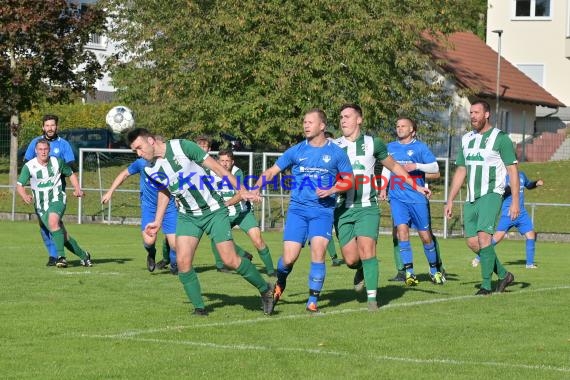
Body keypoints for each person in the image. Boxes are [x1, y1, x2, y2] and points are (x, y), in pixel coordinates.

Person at [127, 128, 274, 316]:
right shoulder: (149, 168)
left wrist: (241, 190)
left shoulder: (182, 146)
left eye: (139, 148)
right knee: (182, 262)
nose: (138, 153)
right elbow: (165, 191)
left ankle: (265, 289)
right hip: (188, 216)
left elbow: (217, 168)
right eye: (135, 151)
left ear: (151, 140)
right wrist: (157, 220)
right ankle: (199, 309)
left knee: (229, 259)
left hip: (214, 211)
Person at [253, 108, 354, 313]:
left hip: (322, 211)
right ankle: (280, 282)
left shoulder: (336, 153)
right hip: (298, 211)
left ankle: (312, 300)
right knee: (289, 258)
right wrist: (256, 188)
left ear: (322, 126)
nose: (305, 125)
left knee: (318, 252)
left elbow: (350, 180)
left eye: (310, 122)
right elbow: (272, 170)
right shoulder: (296, 150)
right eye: (304, 122)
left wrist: (332, 189)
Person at [334, 105, 431, 310]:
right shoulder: (333, 145)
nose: (343, 120)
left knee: (368, 250)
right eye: (341, 117)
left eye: (348, 117)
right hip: (343, 209)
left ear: (359, 120)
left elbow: (395, 167)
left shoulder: (373, 143)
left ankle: (372, 300)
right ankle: (359, 269)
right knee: (351, 259)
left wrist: (417, 187)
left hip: (368, 207)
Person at [444, 100, 520, 295]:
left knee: (484, 237)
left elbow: (512, 170)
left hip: (492, 194)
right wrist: (450, 199)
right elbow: (461, 169)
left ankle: (486, 286)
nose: (473, 116)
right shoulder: (466, 139)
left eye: (477, 112)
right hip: (471, 197)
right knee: (472, 242)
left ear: (487, 114)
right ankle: (503, 275)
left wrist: (516, 202)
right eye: (471, 113)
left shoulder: (500, 138)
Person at [380, 117, 445, 286]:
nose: (399, 128)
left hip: (417, 198)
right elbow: (387, 169)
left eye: (403, 126)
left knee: (425, 236)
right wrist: (383, 188)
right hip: (397, 197)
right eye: (397, 125)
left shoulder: (420, 147)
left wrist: (416, 166)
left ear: (412, 130)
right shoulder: (391, 147)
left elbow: (435, 168)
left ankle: (434, 270)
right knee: (401, 232)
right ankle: (409, 272)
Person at [17, 139, 92, 268]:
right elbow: (19, 185)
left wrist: (77, 188)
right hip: (41, 206)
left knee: (53, 222)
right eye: (40, 149)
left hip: (57, 199)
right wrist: (24, 195)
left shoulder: (57, 162)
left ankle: (61, 258)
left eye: (45, 149)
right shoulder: (29, 166)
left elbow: (71, 174)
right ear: (36, 151)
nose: (43, 152)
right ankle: (84, 256)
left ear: (49, 150)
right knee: (63, 236)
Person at [101, 156, 178, 274]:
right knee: (149, 241)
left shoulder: (169, 162)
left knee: (175, 244)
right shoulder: (141, 163)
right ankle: (151, 253)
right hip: (149, 208)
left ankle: (175, 266)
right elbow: (124, 174)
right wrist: (110, 192)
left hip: (169, 207)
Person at [209, 149, 276, 276]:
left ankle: (271, 270)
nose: (224, 164)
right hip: (224, 214)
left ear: (232, 162)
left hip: (243, 213)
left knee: (258, 240)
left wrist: (227, 203)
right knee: (216, 235)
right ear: (218, 161)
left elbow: (241, 194)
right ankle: (221, 265)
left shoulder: (236, 172)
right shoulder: (211, 173)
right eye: (222, 161)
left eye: (227, 161)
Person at [195, 136, 254, 273]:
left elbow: (238, 188)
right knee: (216, 234)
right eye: (200, 147)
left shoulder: (217, 167)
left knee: (216, 234)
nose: (202, 150)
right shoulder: (199, 166)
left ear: (209, 149)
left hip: (225, 207)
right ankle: (241, 255)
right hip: (211, 204)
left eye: (204, 147)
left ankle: (222, 265)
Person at [24, 114, 76, 266]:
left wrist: (76, 187)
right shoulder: (35, 142)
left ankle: (58, 255)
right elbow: (27, 164)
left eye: (52, 125)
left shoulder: (64, 145)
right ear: (43, 127)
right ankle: (56, 254)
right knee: (44, 225)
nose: (50, 128)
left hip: (57, 192)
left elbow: (72, 167)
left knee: (54, 222)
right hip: (39, 193)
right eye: (47, 125)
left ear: (57, 127)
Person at [471, 172, 543, 269]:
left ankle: (529, 264)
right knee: (496, 239)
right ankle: (478, 257)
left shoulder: (521, 175)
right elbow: (499, 193)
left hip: (521, 213)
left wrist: (535, 183)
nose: (515, 162)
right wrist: (508, 190)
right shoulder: (503, 177)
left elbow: (528, 185)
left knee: (531, 236)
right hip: (508, 214)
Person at [324, 130, 345, 267]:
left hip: (340, 197)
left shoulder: (340, 157)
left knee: (340, 228)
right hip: (325, 199)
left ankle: (350, 254)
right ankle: (334, 257)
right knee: (326, 228)